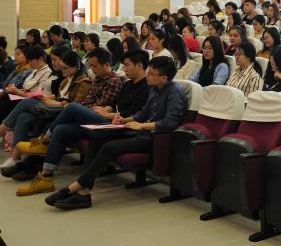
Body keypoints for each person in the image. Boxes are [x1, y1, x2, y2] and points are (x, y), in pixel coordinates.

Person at [42, 56, 186, 210]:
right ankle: (84, 192)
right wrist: (124, 120)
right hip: (139, 132)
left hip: (155, 138)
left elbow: (170, 123)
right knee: (97, 139)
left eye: (151, 74)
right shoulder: (155, 89)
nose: (147, 76)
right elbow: (142, 114)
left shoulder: (175, 93)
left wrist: (142, 126)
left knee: (110, 147)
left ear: (164, 77)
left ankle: (74, 188)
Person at [12, 48, 151, 196]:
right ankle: (46, 177)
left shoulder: (146, 88)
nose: (124, 68)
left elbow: (134, 115)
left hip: (119, 125)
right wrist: (106, 110)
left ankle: (44, 139)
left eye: (127, 65)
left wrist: (107, 114)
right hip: (106, 118)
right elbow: (114, 104)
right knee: (61, 130)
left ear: (139, 65)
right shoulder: (128, 85)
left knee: (72, 107)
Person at [0, 46, 54, 122]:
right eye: (29, 60)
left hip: (34, 99)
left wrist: (18, 92)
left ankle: (4, 124)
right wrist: (16, 91)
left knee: (7, 98)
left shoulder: (48, 73)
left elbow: (39, 94)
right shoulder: (35, 70)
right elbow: (26, 87)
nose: (30, 63)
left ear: (40, 59)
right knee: (6, 96)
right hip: (24, 95)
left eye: (31, 60)